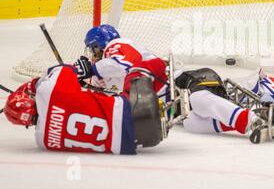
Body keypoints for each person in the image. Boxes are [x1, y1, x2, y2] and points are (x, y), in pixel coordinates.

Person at [2, 59, 167, 154]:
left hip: (136, 141)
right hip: (135, 111)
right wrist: (31, 86)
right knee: (142, 68)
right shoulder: (47, 91)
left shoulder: (42, 141)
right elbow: (65, 69)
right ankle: (174, 86)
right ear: (30, 100)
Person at [173, 68, 274, 144]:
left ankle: (247, 118)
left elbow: (160, 67)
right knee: (189, 124)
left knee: (196, 99)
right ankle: (258, 120)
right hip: (187, 106)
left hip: (198, 81)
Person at [74, 24, 165, 93]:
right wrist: (78, 78)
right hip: (158, 95)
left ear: (97, 45)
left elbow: (124, 66)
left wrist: (91, 69)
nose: (92, 54)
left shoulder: (115, 45)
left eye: (92, 49)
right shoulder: (109, 68)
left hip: (168, 89)